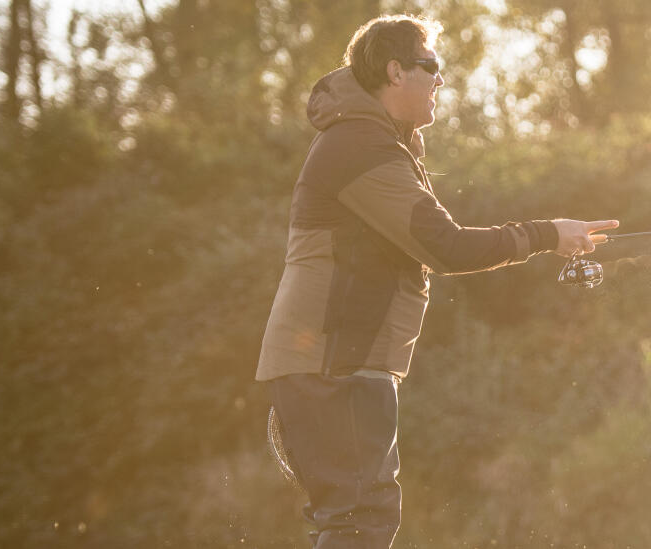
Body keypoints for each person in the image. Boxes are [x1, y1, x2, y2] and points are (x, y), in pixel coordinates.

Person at [254, 14, 616, 549]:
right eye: (432, 67)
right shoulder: (360, 148)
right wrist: (547, 234)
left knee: (359, 517)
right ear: (396, 72)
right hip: (335, 365)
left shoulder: (372, 143)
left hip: (339, 364)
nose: (441, 80)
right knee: (361, 519)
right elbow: (446, 247)